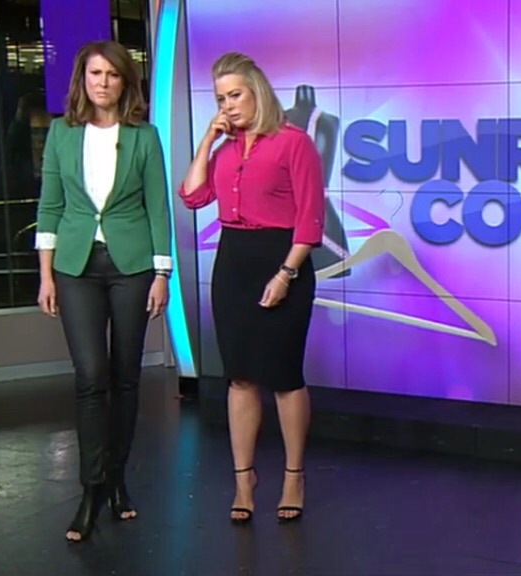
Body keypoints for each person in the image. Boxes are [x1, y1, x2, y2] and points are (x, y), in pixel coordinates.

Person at [178, 52, 324, 524]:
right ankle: (244, 480)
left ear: (257, 91)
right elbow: (193, 195)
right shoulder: (224, 150)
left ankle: (293, 476)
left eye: (235, 95)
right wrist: (208, 139)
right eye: (220, 99)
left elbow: (310, 222)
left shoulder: (293, 142)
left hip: (282, 260)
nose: (228, 105)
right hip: (233, 263)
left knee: (283, 376)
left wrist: (285, 275)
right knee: (239, 376)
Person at [34, 40, 172, 542]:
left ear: (124, 82)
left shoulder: (144, 136)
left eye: (113, 74)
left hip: (132, 266)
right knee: (91, 375)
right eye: (95, 73)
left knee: (125, 377)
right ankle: (91, 488)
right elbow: (50, 206)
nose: (103, 82)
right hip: (75, 267)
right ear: (83, 79)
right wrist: (46, 275)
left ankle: (117, 480)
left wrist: (162, 274)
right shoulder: (61, 133)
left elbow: (157, 207)